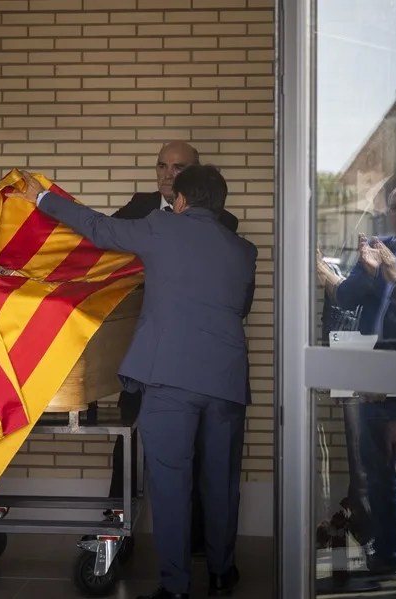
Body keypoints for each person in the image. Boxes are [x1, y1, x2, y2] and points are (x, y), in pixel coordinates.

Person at [11, 164, 256, 599]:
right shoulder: (242, 251)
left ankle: (176, 587)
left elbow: (99, 229)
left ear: (180, 201)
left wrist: (43, 199)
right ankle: (222, 574)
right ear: (219, 204)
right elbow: (238, 309)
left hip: (169, 379)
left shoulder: (163, 227)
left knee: (171, 485)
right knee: (220, 483)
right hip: (226, 381)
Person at [109, 141, 242, 556]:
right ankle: (117, 536)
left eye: (178, 168)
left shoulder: (225, 221)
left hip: (195, 361)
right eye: (161, 166)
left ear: (193, 175)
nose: (167, 175)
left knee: (200, 455)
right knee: (127, 444)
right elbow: (101, 254)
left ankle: (197, 545)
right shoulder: (138, 207)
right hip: (143, 350)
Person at [317, 183, 396, 582]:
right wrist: (367, 272)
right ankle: (386, 552)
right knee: (378, 470)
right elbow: (348, 298)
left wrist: (394, 276)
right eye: (394, 208)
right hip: (378, 376)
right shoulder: (380, 245)